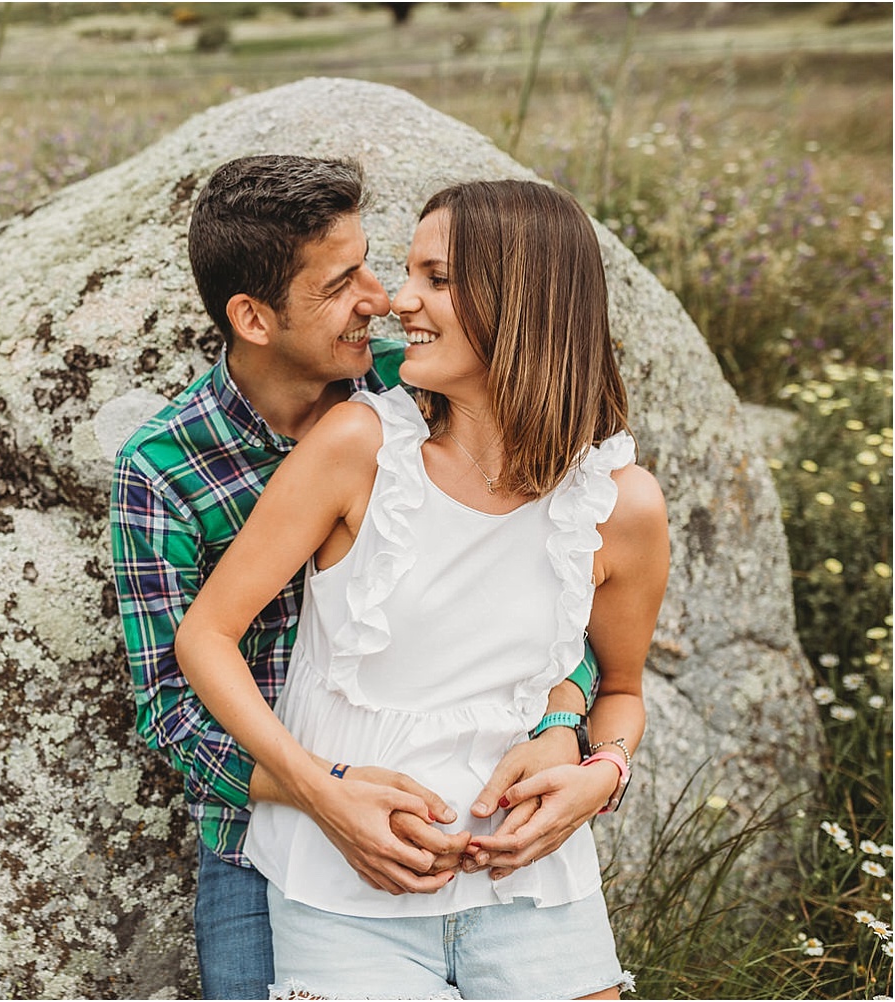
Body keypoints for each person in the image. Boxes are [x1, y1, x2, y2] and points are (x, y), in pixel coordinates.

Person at [109, 157, 605, 1000]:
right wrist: (321, 794)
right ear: (254, 318)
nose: (380, 299)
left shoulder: (421, 385)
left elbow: (551, 585)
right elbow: (170, 708)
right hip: (260, 831)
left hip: (463, 820)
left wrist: (565, 726)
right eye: (343, 283)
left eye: (377, 265)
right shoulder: (164, 470)